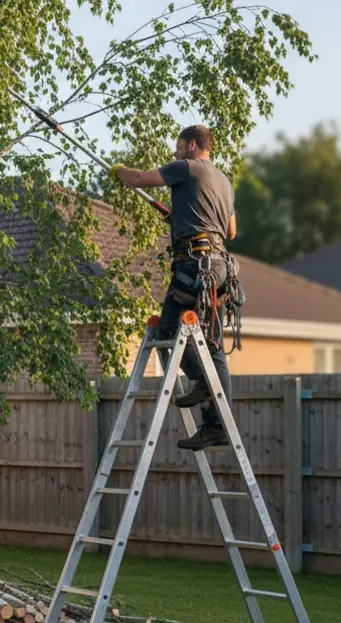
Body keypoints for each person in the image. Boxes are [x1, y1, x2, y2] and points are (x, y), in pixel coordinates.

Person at [112, 125, 238, 451]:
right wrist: (185, 215)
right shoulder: (224, 182)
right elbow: (230, 231)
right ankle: (218, 426)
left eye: (179, 145)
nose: (176, 151)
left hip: (194, 265)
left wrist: (118, 170)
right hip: (219, 267)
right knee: (213, 347)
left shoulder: (187, 168)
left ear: (192, 145)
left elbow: (140, 179)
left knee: (167, 329)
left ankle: (202, 381)